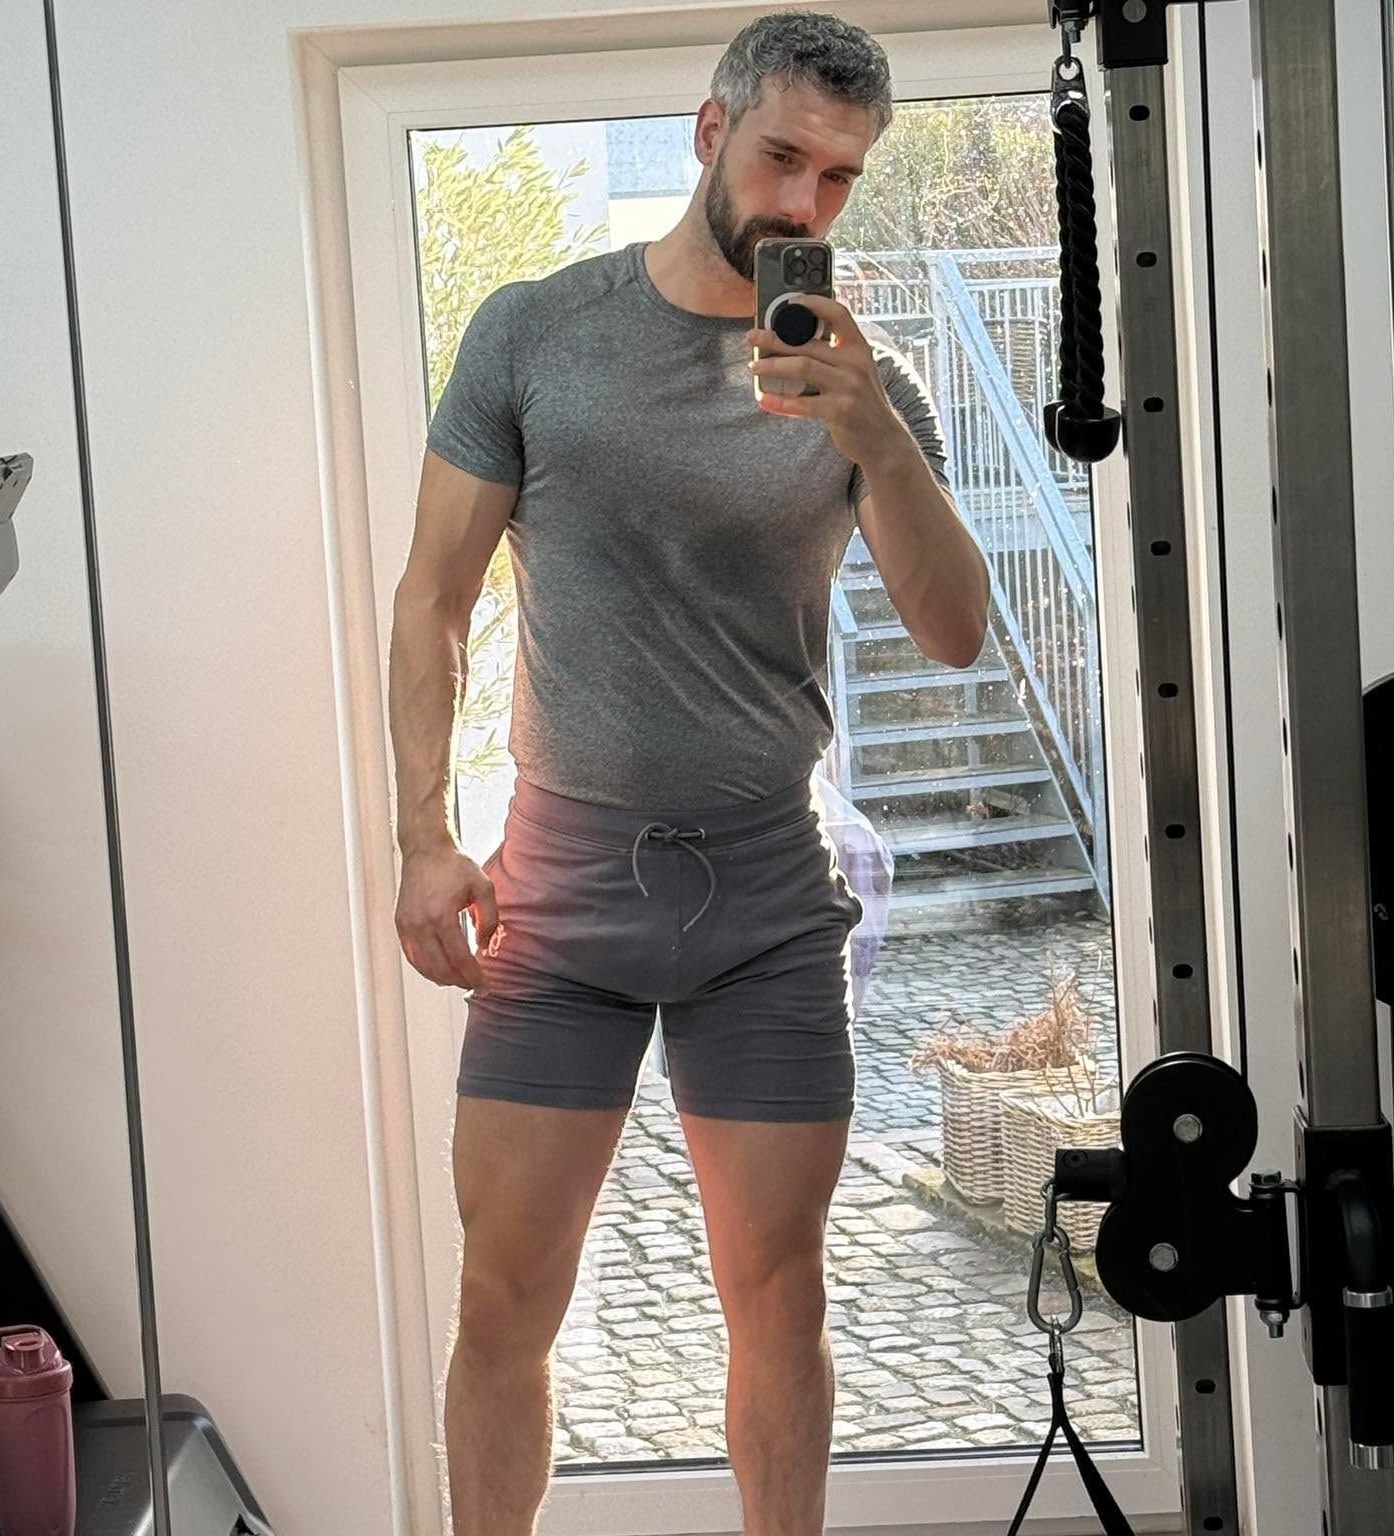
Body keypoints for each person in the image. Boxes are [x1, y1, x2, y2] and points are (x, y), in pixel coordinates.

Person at [388, 11, 989, 1533]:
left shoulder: (863, 382)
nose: (803, 203)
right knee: (505, 1299)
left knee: (781, 1297)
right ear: (709, 132)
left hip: (768, 895)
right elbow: (433, 598)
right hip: (562, 890)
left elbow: (956, 633)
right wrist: (421, 835)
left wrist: (879, 438)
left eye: (838, 179)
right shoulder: (535, 331)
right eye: (782, 156)